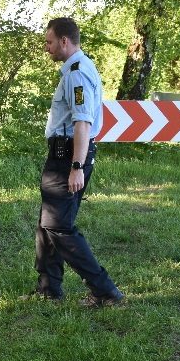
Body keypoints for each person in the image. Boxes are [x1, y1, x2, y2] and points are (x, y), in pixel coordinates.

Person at [33, 17, 124, 307]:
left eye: (49, 42)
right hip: (63, 156)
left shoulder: (76, 73)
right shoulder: (80, 67)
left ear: (64, 40)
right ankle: (49, 290)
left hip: (67, 158)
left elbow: (82, 122)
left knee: (59, 228)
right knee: (48, 226)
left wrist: (76, 167)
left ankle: (104, 290)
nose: (46, 48)